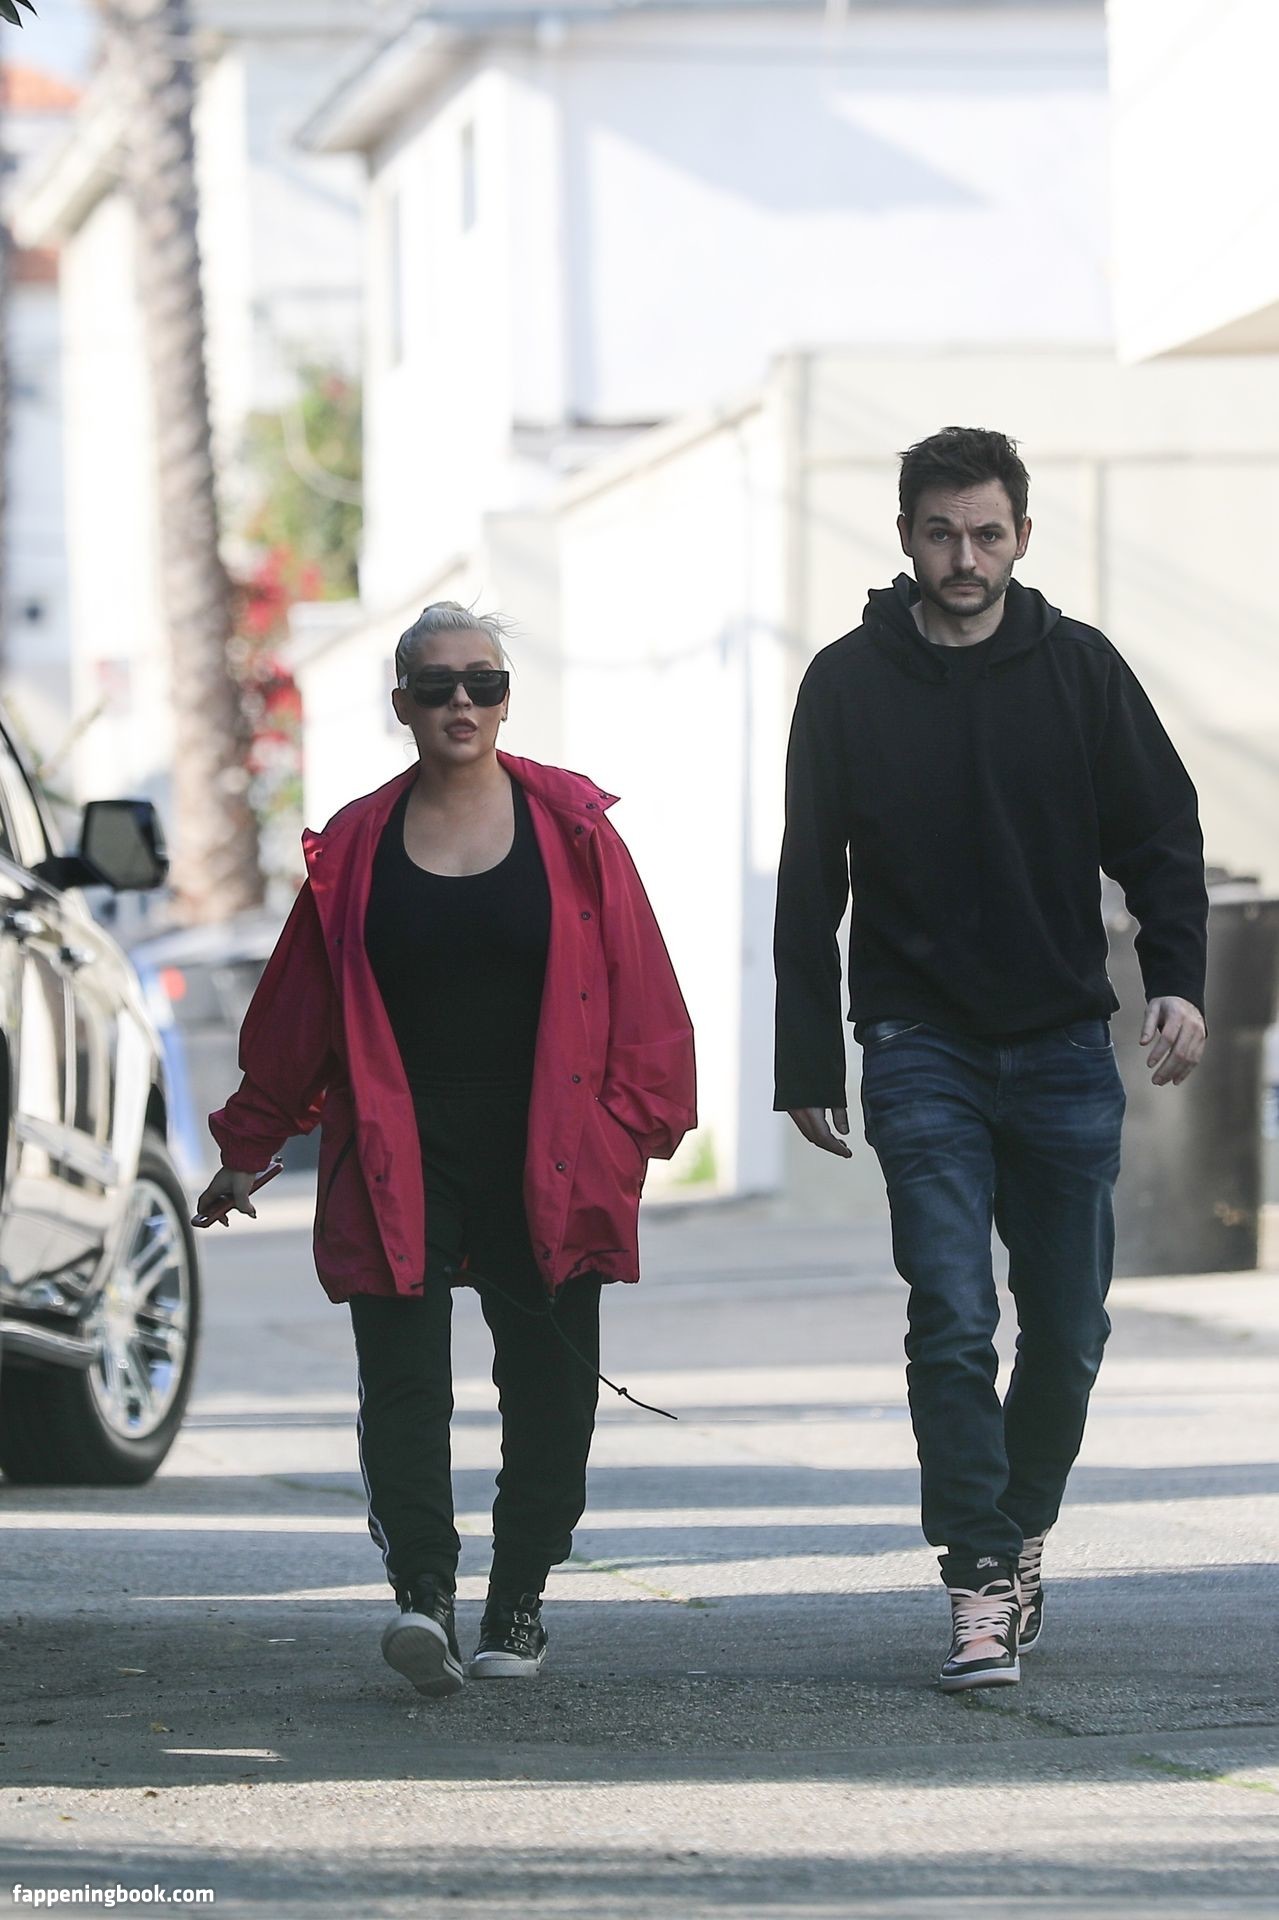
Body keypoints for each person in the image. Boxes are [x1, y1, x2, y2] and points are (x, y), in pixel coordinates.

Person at [773, 427, 1208, 1694]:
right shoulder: (845, 684)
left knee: (1067, 1330)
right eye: (940, 534)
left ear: (1021, 536)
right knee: (954, 1312)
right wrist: (806, 1056)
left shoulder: (1079, 670)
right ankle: (976, 1575)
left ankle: (1015, 1532)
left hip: (1064, 1042)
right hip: (920, 1045)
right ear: (905, 538)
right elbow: (807, 882)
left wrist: (1177, 976)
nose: (963, 558)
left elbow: (1161, 832)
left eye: (986, 534)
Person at [197, 602, 696, 1699]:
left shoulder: (573, 829)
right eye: (437, 686)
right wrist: (250, 1140)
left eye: (484, 682)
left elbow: (641, 986)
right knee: (404, 1384)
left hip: (548, 1145)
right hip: (396, 1142)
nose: (462, 702)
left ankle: (517, 1603)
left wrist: (632, 1132)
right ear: (402, 706)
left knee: (550, 1392)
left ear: (506, 698)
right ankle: (423, 1593)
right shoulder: (357, 845)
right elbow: (299, 1006)